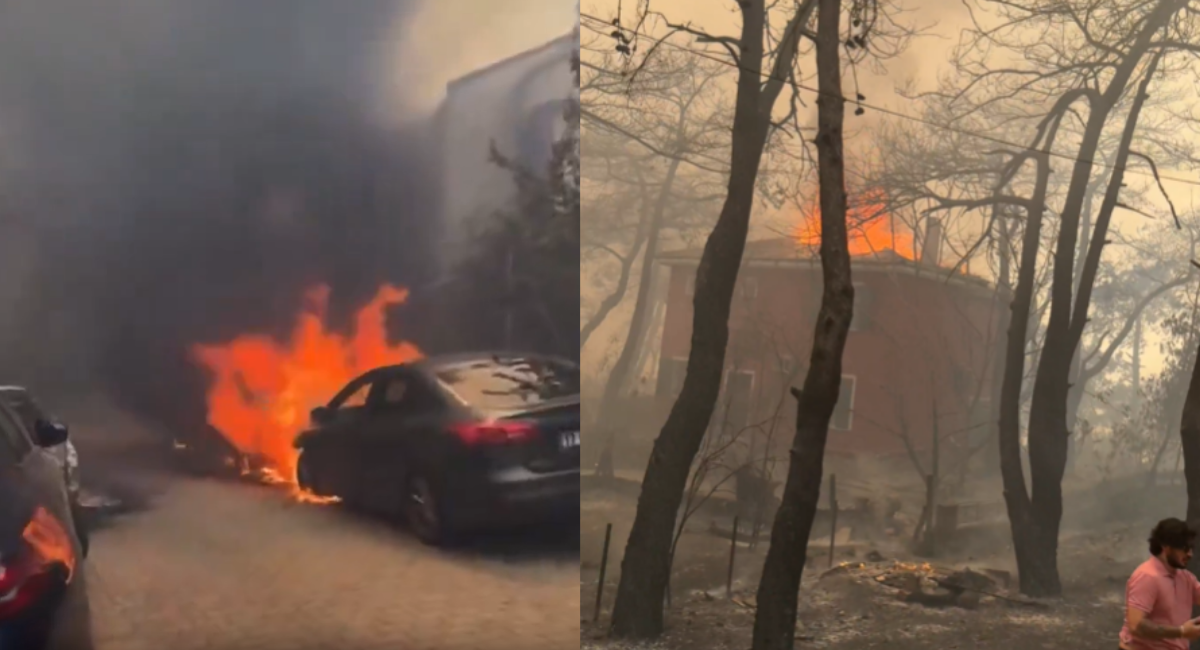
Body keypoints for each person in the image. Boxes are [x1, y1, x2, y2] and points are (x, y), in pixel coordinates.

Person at [1119, 517, 1200, 649]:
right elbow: (1136, 625)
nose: (1190, 554)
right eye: (1185, 548)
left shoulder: (1186, 578)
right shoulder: (1147, 577)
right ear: (1166, 548)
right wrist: (1181, 631)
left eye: (1191, 548)